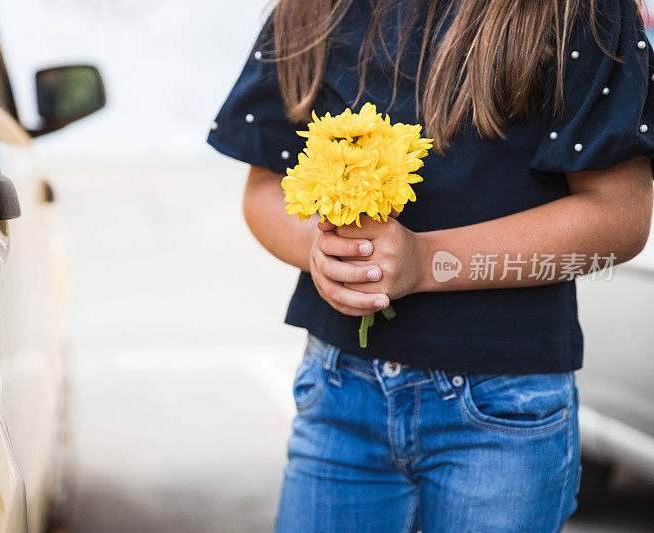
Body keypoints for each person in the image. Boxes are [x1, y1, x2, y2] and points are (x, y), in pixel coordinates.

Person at [207, 1, 654, 531]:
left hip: (500, 408)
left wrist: (427, 262)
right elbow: (265, 185)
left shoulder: (577, 10)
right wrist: (322, 252)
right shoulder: (314, 6)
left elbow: (620, 217)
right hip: (337, 391)